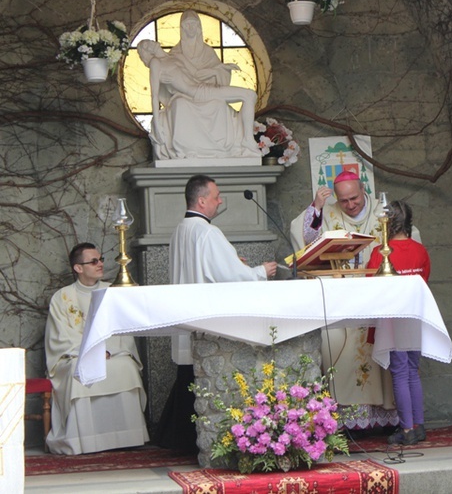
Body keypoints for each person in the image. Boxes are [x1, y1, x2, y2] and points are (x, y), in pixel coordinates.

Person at [155, 174, 277, 451]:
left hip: (185, 313)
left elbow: (208, 266)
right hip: (205, 319)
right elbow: (231, 275)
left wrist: (233, 261)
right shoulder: (207, 232)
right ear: (201, 200)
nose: (220, 201)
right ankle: (187, 440)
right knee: (197, 381)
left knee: (187, 378)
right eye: (216, 196)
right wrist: (261, 271)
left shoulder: (180, 230)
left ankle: (174, 437)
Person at [291, 170, 418, 430]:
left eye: (354, 198)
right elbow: (304, 238)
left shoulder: (383, 212)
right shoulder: (328, 212)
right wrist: (316, 207)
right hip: (343, 299)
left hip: (379, 298)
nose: (350, 205)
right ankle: (348, 420)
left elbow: (410, 237)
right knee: (335, 344)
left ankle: (392, 418)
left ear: (363, 190)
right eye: (344, 201)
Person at [44, 243, 149, 455]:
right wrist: (91, 353)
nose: (100, 264)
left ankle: (127, 436)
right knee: (79, 370)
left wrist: (108, 351)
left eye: (100, 259)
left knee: (126, 366)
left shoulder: (112, 292)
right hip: (76, 355)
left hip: (111, 353)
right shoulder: (62, 297)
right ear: (78, 268)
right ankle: (84, 441)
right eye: (93, 261)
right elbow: (60, 337)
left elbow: (122, 330)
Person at [140, 11, 261, 161]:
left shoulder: (173, 58)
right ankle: (247, 142)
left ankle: (245, 141)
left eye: (193, 24)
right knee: (249, 95)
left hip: (204, 89)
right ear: (182, 28)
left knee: (241, 98)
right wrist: (157, 123)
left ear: (199, 27)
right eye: (187, 25)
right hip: (196, 93)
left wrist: (218, 70)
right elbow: (156, 94)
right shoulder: (160, 61)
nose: (190, 28)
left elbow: (196, 74)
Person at [366, 200, 430, 445]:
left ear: (386, 224)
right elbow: (424, 279)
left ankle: (406, 430)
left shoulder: (381, 252)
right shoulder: (420, 251)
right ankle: (419, 425)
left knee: (400, 373)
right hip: (414, 315)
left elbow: (372, 282)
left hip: (393, 318)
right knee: (413, 371)